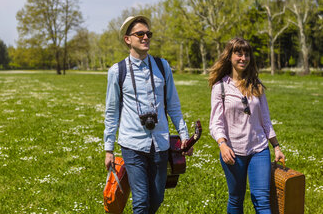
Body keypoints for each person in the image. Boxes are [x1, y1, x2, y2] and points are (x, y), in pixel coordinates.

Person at [104, 15, 193, 214]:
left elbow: (174, 106)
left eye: (148, 34)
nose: (146, 37)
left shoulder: (163, 67)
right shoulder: (117, 71)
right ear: (128, 39)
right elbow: (112, 112)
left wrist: (185, 136)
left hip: (160, 143)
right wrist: (108, 148)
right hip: (132, 145)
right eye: (140, 34)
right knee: (141, 202)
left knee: (156, 198)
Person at [208, 37, 285, 214]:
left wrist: (276, 146)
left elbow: (265, 119)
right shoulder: (220, 87)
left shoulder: (256, 85)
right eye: (238, 53)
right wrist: (222, 145)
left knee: (262, 199)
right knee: (236, 198)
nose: (243, 58)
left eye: (247, 54)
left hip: (258, 149)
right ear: (230, 56)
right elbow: (215, 122)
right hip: (232, 152)